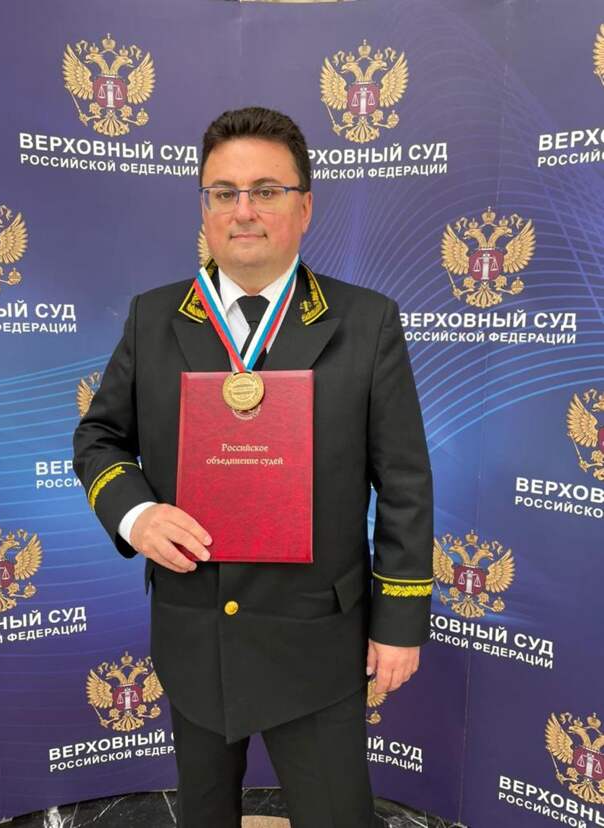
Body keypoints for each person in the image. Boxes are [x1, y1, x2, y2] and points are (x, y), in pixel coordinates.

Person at [73, 106, 433, 828]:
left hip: (316, 640)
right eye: (223, 192)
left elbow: (403, 482)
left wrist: (399, 621)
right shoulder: (153, 317)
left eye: (266, 190)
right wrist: (137, 515)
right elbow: (99, 438)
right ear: (204, 208)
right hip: (193, 633)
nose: (244, 210)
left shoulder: (366, 322)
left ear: (305, 206)